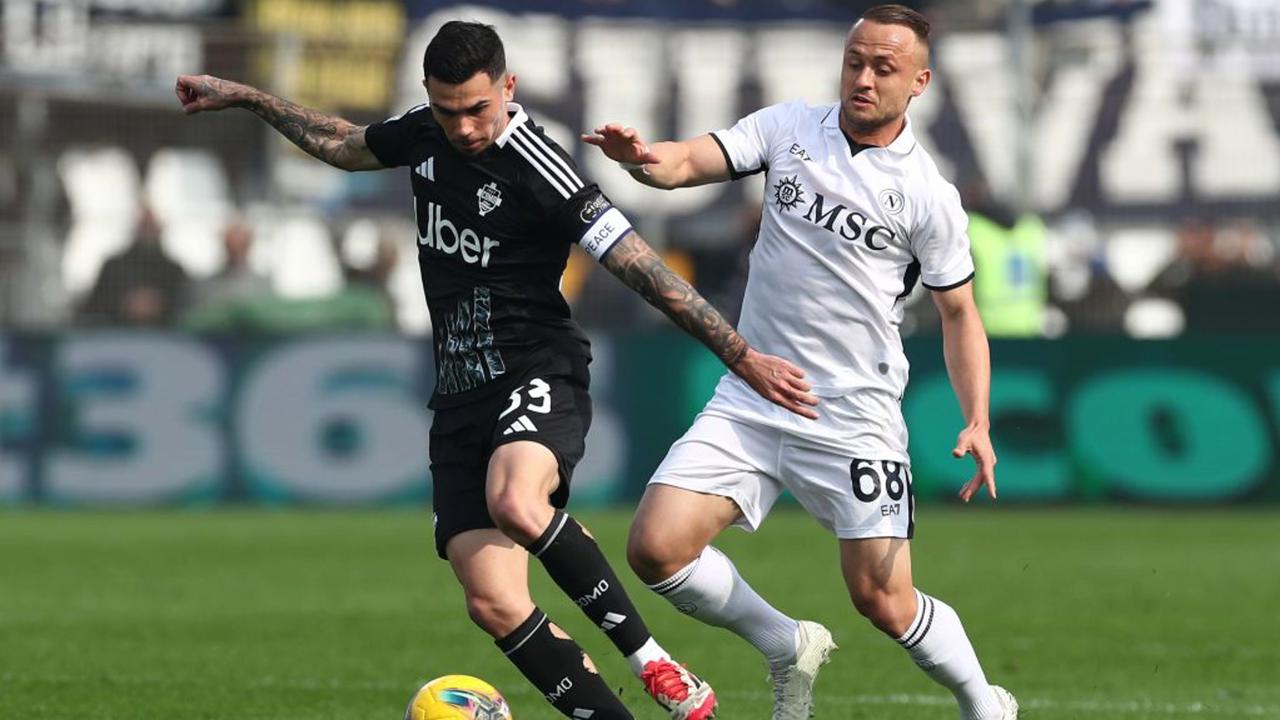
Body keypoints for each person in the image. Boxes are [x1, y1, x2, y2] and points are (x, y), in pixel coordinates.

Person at [174, 20, 817, 720]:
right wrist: (243, 96)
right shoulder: (425, 131)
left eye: (478, 108)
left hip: (536, 368)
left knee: (517, 500)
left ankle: (654, 661)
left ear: (508, 88)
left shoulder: (542, 166)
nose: (465, 127)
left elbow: (643, 269)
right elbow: (343, 144)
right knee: (493, 601)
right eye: (448, 110)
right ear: (429, 96)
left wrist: (742, 354)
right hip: (458, 396)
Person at [585, 5, 1018, 719]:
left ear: (920, 81)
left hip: (853, 415)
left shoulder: (929, 197)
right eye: (856, 61)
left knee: (882, 599)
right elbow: (689, 161)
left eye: (884, 68)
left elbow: (959, 312)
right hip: (755, 392)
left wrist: (978, 416)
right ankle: (786, 642)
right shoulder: (790, 128)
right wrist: (641, 160)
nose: (864, 78)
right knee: (655, 548)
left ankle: (983, 702)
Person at [80, 206, 189, 326]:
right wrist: (124, 305)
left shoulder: (174, 271)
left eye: (152, 224)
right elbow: (93, 309)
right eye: (145, 224)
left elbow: (186, 311)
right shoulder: (113, 267)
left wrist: (160, 306)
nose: (149, 229)